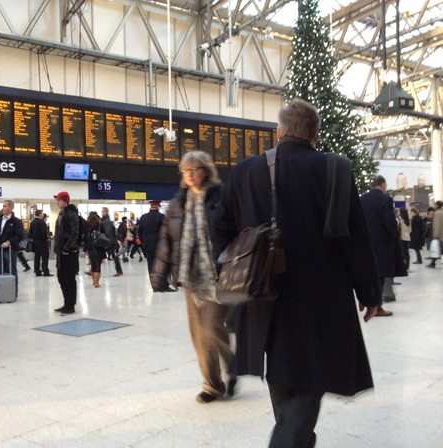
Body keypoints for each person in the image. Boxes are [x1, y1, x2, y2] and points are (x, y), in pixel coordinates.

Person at [212, 99, 380, 448]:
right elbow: (356, 239)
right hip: (322, 297)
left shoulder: (246, 171)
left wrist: (235, 267)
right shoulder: (336, 169)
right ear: (315, 134)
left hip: (261, 294)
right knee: (309, 380)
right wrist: (370, 294)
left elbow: (219, 229)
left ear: (279, 132)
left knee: (283, 374)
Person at [152, 150, 234, 403]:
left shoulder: (222, 198)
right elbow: (167, 239)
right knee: (199, 335)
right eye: (185, 170)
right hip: (191, 276)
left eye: (194, 169)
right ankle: (212, 385)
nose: (189, 174)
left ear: (206, 170)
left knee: (212, 329)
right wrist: (159, 274)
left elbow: (236, 231)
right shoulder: (177, 203)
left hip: (217, 275)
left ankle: (232, 368)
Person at [360, 176, 401, 316]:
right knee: (381, 275)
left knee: (369, 273)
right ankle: (377, 307)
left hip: (365, 243)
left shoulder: (362, 199)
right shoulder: (385, 199)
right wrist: (393, 234)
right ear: (383, 185)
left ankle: (367, 300)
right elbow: (389, 222)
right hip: (382, 244)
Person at [0, 200, 24, 301]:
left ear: (11, 207)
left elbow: (20, 236)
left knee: (12, 270)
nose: (3, 208)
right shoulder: (0, 220)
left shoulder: (16, 222)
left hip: (11, 250)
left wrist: (9, 242)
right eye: (3, 206)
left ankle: (12, 293)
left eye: (5, 206)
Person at [53, 191, 80, 314]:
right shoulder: (61, 214)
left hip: (69, 253)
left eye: (59, 200)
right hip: (61, 253)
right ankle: (66, 303)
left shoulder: (71, 214)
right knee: (61, 278)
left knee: (69, 279)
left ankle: (71, 305)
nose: (57, 202)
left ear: (65, 201)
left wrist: (66, 248)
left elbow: (75, 233)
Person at [138, 201, 166, 285]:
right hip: (158, 245)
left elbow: (139, 232)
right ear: (157, 206)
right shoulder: (161, 217)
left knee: (150, 264)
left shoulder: (143, 217)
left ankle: (153, 284)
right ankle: (161, 283)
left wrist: (144, 242)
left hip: (147, 244)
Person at [84, 212, 106, 287]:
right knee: (98, 265)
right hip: (99, 247)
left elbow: (85, 238)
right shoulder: (100, 225)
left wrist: (84, 249)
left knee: (93, 264)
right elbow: (105, 235)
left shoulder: (87, 225)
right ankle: (96, 282)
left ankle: (94, 281)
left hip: (90, 247)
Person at [29, 210, 53, 277]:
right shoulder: (41, 222)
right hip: (41, 241)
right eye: (42, 214)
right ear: (39, 214)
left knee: (37, 256)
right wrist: (46, 240)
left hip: (35, 241)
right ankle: (45, 271)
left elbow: (30, 232)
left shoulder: (32, 222)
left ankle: (37, 271)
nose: (43, 215)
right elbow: (43, 233)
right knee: (45, 256)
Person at [101, 207, 123, 277]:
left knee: (113, 256)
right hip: (109, 241)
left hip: (109, 242)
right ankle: (119, 270)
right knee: (101, 255)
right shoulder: (105, 221)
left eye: (103, 212)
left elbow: (108, 232)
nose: (102, 213)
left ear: (106, 212)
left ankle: (119, 271)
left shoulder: (107, 221)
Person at [426, 201, 443, 268]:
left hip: (440, 235)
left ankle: (433, 263)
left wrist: (436, 235)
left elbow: (437, 225)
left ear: (437, 205)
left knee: (437, 249)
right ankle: (433, 262)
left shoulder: (437, 213)